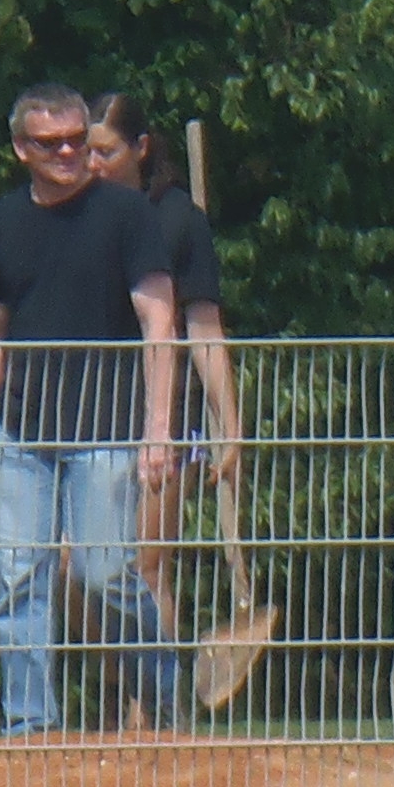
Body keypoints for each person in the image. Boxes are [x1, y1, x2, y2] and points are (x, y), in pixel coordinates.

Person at [0, 82, 180, 736]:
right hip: (21, 424)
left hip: (105, 421)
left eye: (76, 141)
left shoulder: (126, 214)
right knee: (18, 573)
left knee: (106, 571)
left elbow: (160, 319)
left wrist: (159, 432)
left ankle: (166, 691)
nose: (67, 153)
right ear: (20, 148)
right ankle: (29, 723)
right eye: (50, 143)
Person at [88, 93, 243, 709]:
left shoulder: (178, 220)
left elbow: (204, 329)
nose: (92, 163)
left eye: (106, 151)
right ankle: (140, 686)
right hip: (86, 413)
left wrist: (229, 426)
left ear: (141, 148)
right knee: (82, 572)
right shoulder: (73, 215)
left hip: (164, 416)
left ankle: (149, 721)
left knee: (146, 567)